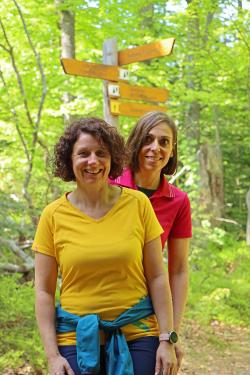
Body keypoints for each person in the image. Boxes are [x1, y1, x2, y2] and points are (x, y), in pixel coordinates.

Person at [32, 117, 178, 375]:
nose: (93, 161)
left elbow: (157, 275)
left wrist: (167, 340)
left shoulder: (138, 205)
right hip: (75, 338)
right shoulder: (52, 215)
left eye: (101, 153)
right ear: (70, 160)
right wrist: (52, 356)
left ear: (113, 159)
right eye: (83, 154)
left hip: (138, 333)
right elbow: (44, 291)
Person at [109, 111, 192, 372]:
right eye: (148, 139)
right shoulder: (110, 185)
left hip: (147, 309)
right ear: (136, 142)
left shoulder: (178, 201)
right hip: (101, 302)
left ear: (172, 149)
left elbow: (177, 270)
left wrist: (172, 333)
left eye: (164, 142)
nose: (155, 148)